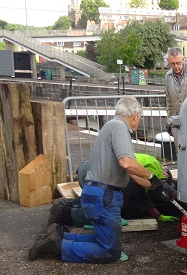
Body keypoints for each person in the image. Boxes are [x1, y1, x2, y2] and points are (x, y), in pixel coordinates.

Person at [29, 96, 158, 263]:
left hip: (99, 192)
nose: (139, 120)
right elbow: (127, 163)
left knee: (105, 242)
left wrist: (154, 185)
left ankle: (59, 237)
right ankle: (58, 247)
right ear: (134, 114)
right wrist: (152, 176)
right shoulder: (119, 128)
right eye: (140, 116)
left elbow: (131, 172)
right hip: (105, 196)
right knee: (110, 252)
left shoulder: (111, 126)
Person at [49, 154, 180, 228]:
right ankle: (64, 214)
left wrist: (159, 216)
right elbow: (164, 187)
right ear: (166, 174)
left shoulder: (143, 180)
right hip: (97, 175)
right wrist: (180, 198)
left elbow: (142, 199)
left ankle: (64, 205)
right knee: (105, 214)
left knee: (98, 203)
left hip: (89, 169)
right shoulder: (155, 169)